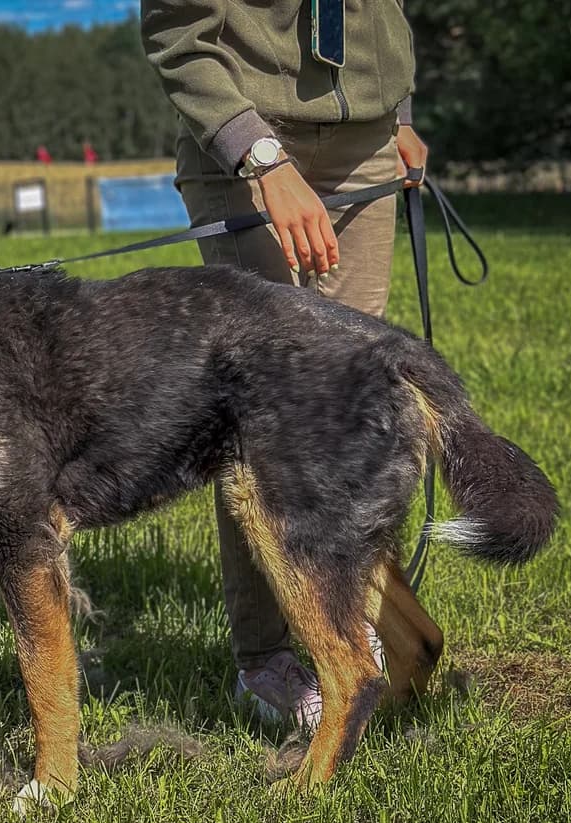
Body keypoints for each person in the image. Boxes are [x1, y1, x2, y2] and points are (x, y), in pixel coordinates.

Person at [141, 0, 430, 728]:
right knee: (266, 416)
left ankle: (344, 619)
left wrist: (395, 110)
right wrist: (262, 158)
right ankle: (264, 657)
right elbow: (177, 34)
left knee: (350, 406)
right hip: (246, 145)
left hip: (366, 141)